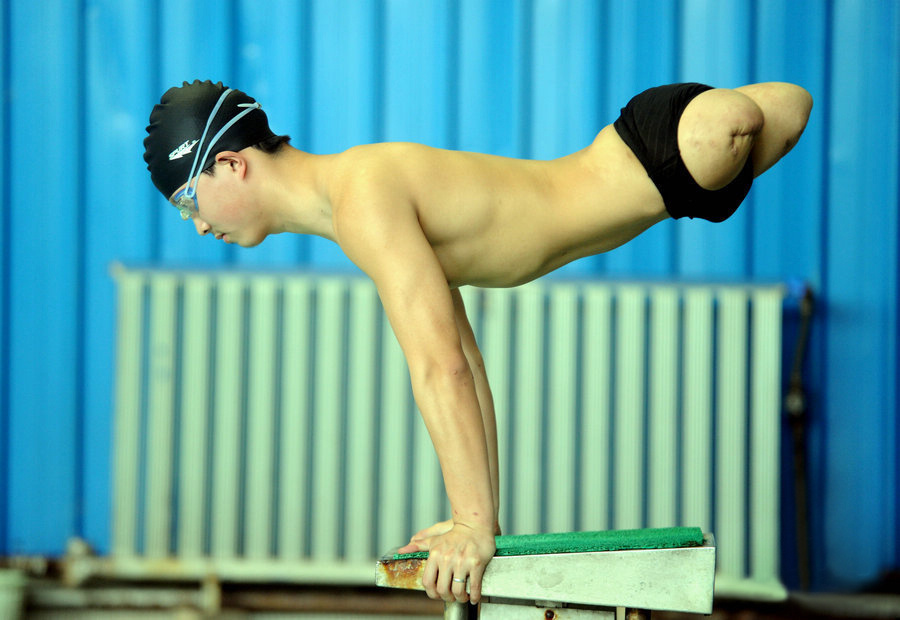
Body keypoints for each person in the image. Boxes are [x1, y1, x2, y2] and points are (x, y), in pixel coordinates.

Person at [144, 79, 812, 605]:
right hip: (660, 171)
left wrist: (470, 521)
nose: (198, 227)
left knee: (742, 122)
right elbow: (464, 357)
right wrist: (481, 518)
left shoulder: (361, 196)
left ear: (230, 164)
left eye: (187, 202)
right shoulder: (356, 196)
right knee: (787, 106)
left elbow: (437, 367)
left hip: (653, 152)